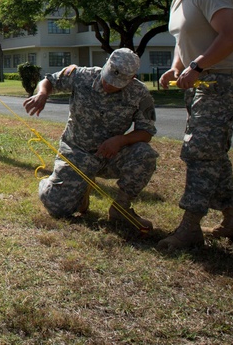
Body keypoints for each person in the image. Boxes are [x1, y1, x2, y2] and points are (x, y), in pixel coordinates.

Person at [152, 0, 233, 251]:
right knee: (212, 153)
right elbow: (183, 40)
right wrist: (176, 66)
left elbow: (231, 36)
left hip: (223, 82)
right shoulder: (179, 0)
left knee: (198, 150)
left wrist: (196, 66)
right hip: (202, 82)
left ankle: (190, 227)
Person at [23, 48, 157, 232]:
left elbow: (146, 132)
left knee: (145, 154)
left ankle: (121, 208)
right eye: (108, 78)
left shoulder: (140, 94)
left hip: (110, 154)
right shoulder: (82, 76)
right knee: (58, 208)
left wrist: (119, 140)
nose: (109, 85)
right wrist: (42, 94)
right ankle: (53, 182)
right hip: (76, 151)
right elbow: (49, 80)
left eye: (117, 83)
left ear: (132, 78)